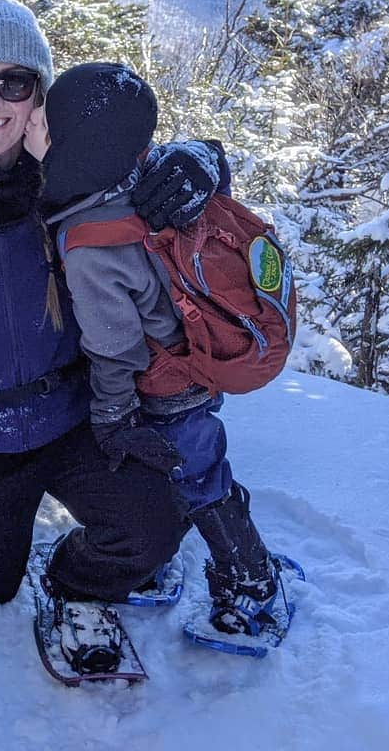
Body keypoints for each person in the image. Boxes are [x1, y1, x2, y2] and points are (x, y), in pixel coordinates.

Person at [0, 0, 226, 620]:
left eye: (13, 83)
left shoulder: (76, 165)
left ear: (39, 94)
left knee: (154, 527)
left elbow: (158, 161)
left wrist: (203, 162)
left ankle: (72, 578)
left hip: (74, 415)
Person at [24, 61, 280, 636]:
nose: (32, 123)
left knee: (193, 477)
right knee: (200, 467)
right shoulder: (141, 189)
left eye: (45, 119)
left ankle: (250, 578)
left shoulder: (91, 241)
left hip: (164, 383)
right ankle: (201, 560)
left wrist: (113, 413)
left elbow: (114, 346)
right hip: (193, 364)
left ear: (77, 143)